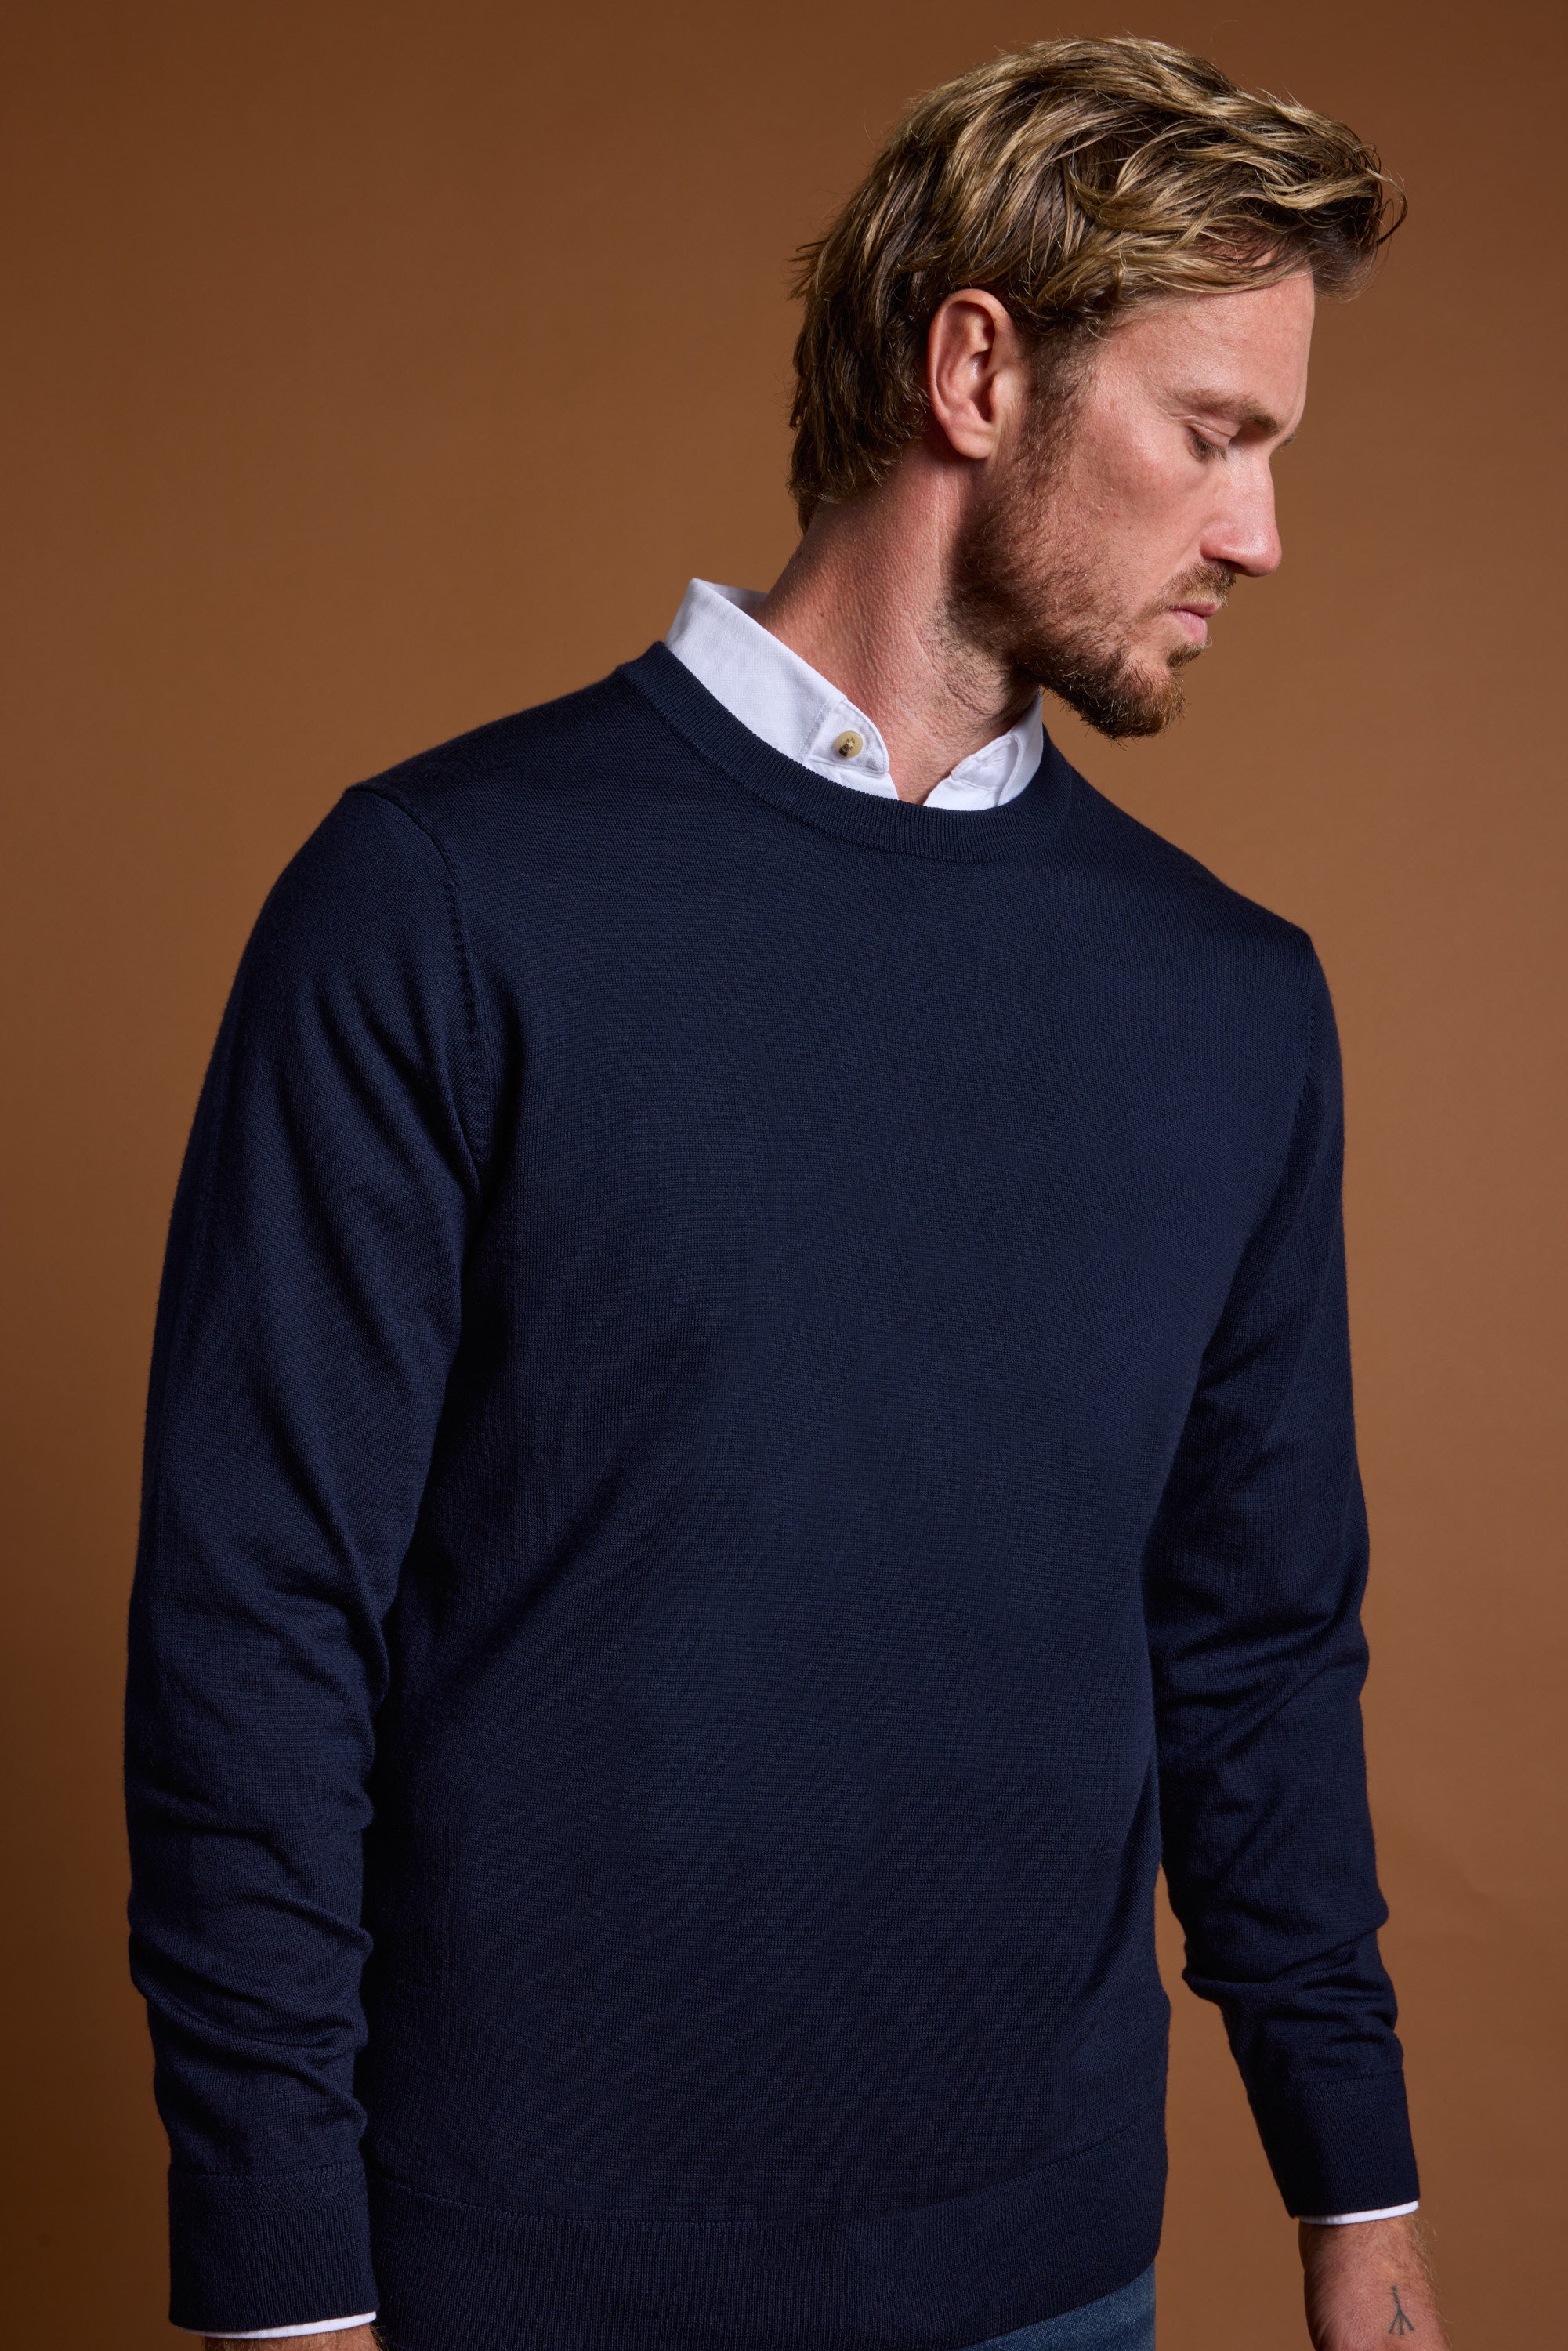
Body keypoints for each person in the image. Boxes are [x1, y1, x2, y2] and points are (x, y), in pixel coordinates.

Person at [125, 36, 1450, 2351]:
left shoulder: (1231, 1000)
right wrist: (278, 2282)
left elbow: (1247, 1640)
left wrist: (1358, 2206)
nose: (1257, 535)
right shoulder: (439, 900)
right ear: (973, 369)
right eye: (1210, 435)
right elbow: (259, 1633)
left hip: (1049, 2281)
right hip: (519, 2283)